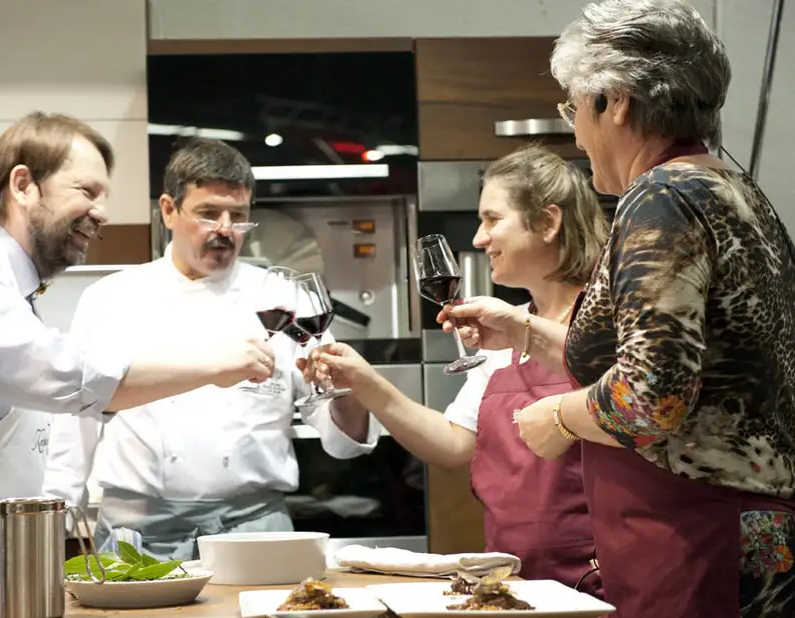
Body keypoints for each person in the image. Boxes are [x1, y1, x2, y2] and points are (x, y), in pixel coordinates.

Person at [442, 1, 795, 616]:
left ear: (617, 102)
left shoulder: (660, 196)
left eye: (573, 108)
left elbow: (653, 396)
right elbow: (689, 364)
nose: (577, 133)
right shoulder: (736, 190)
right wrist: (525, 329)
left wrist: (558, 415)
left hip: (694, 537)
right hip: (756, 529)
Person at [0, 112, 275, 586]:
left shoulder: (9, 285)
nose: (102, 212)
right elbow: (66, 377)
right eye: (86, 191)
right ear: (23, 185)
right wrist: (219, 366)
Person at [42, 138, 379, 561]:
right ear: (169, 210)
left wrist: (347, 392)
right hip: (141, 532)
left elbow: (342, 443)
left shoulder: (284, 298)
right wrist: (52, 519)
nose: (225, 229)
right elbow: (76, 420)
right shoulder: (112, 298)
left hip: (256, 530)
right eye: (208, 213)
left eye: (238, 216)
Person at [300, 144, 608, 594]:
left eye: (492, 219)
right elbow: (455, 445)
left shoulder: (607, 321)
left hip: (597, 577)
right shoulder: (504, 331)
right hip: (513, 577)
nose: (479, 238)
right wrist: (365, 382)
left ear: (548, 222)